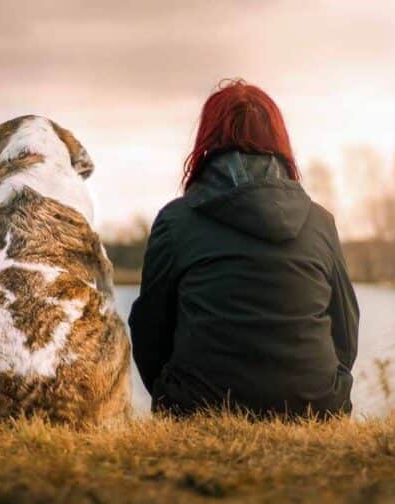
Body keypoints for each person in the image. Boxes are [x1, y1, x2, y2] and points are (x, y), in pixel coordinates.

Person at [128, 79, 359, 419]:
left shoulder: (176, 222)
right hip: (315, 408)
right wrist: (327, 389)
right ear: (279, 141)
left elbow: (149, 329)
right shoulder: (320, 222)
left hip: (198, 408)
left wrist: (171, 393)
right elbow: (346, 329)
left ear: (207, 140)